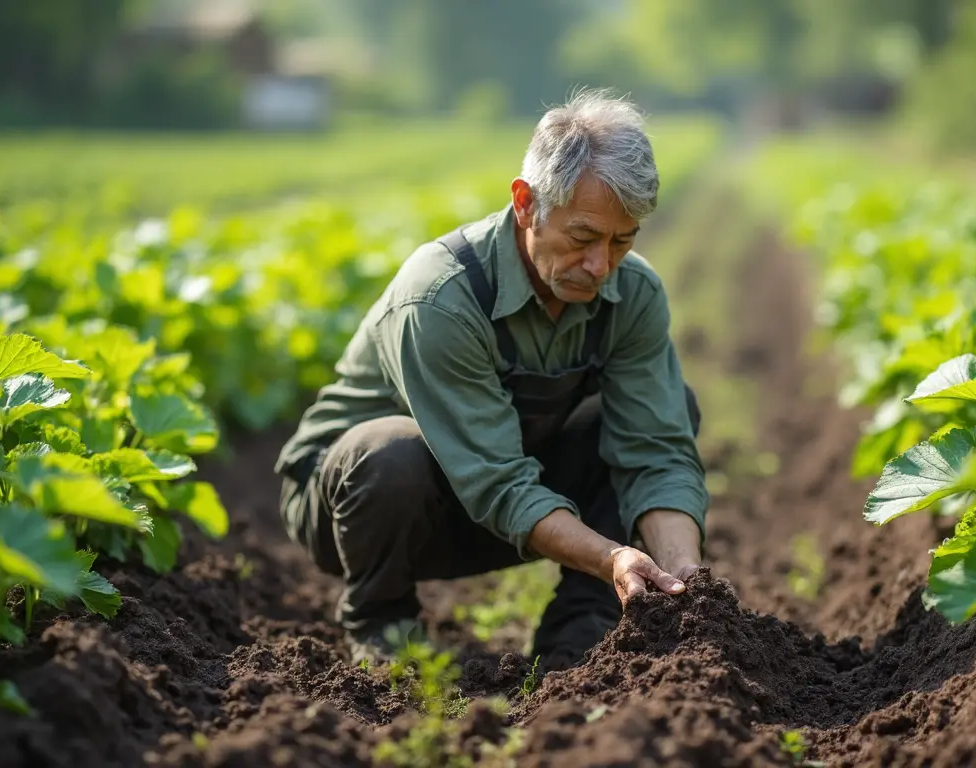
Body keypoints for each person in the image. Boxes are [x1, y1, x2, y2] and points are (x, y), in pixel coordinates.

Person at [274, 88, 709, 671]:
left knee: (674, 405)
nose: (601, 265)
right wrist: (609, 556)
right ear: (526, 203)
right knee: (389, 454)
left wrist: (683, 574)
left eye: (622, 240)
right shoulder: (443, 296)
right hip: (362, 509)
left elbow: (654, 449)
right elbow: (496, 481)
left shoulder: (631, 293)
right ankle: (382, 627)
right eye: (582, 238)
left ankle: (586, 635)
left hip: (499, 491)